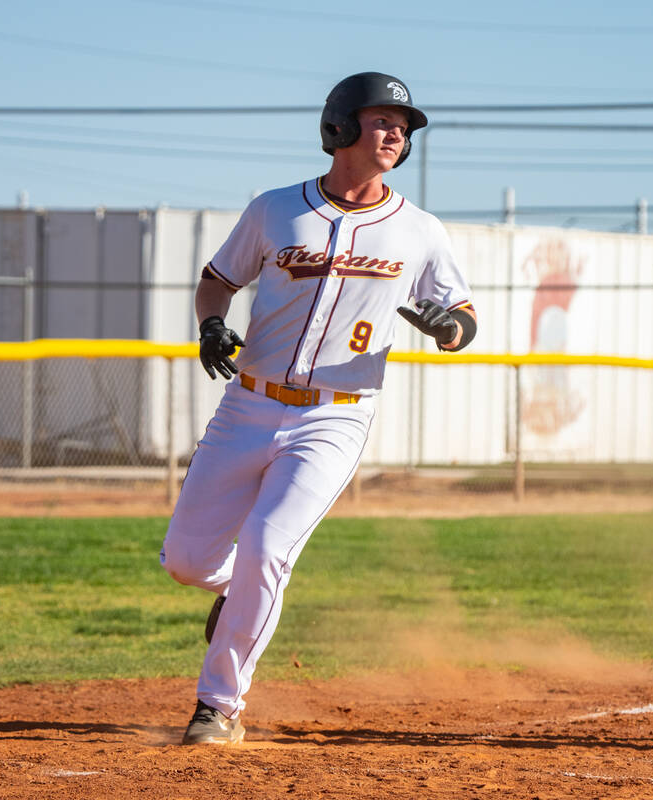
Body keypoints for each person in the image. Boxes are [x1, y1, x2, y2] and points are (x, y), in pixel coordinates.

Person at [160, 72, 478, 745]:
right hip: (246, 406)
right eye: (382, 120)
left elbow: (464, 318)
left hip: (335, 416)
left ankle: (218, 706)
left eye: (403, 126)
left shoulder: (419, 230)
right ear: (340, 127)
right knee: (186, 561)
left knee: (270, 549)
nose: (395, 134)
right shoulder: (276, 209)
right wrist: (211, 325)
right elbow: (217, 282)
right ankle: (238, 594)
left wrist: (445, 327)